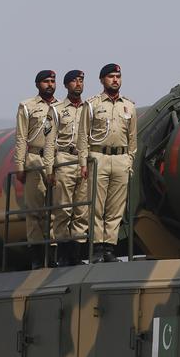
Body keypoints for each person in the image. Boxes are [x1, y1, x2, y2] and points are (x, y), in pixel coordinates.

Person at [75, 63, 137, 263]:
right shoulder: (92, 105)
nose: (115, 80)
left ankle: (109, 248)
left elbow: (133, 137)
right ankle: (97, 248)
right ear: (102, 80)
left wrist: (130, 159)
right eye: (111, 77)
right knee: (97, 206)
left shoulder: (129, 106)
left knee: (115, 206)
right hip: (98, 157)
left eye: (118, 76)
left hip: (120, 158)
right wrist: (83, 162)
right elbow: (83, 136)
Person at [43, 70, 89, 266]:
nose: (78, 84)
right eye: (74, 81)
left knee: (81, 210)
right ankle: (62, 253)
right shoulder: (57, 109)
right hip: (64, 158)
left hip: (83, 160)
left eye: (81, 81)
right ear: (66, 85)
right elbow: (49, 141)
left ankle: (76, 255)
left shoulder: (90, 108)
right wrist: (49, 169)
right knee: (63, 209)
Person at [14, 70, 57, 269]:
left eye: (53, 81)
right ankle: (37, 256)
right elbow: (21, 137)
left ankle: (54, 254)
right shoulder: (27, 106)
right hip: (34, 158)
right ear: (38, 84)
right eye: (46, 81)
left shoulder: (61, 107)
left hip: (57, 160)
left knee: (56, 210)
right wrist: (20, 165)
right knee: (35, 211)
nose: (50, 84)